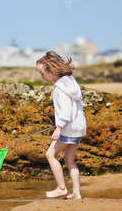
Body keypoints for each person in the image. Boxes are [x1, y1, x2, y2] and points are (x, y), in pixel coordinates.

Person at [36, 51, 87, 199]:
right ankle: (76, 193)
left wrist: (59, 127)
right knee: (69, 160)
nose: (42, 77)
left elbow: (65, 111)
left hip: (68, 128)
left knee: (50, 154)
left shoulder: (59, 87)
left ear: (51, 71)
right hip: (78, 128)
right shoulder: (71, 81)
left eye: (42, 74)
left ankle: (61, 188)